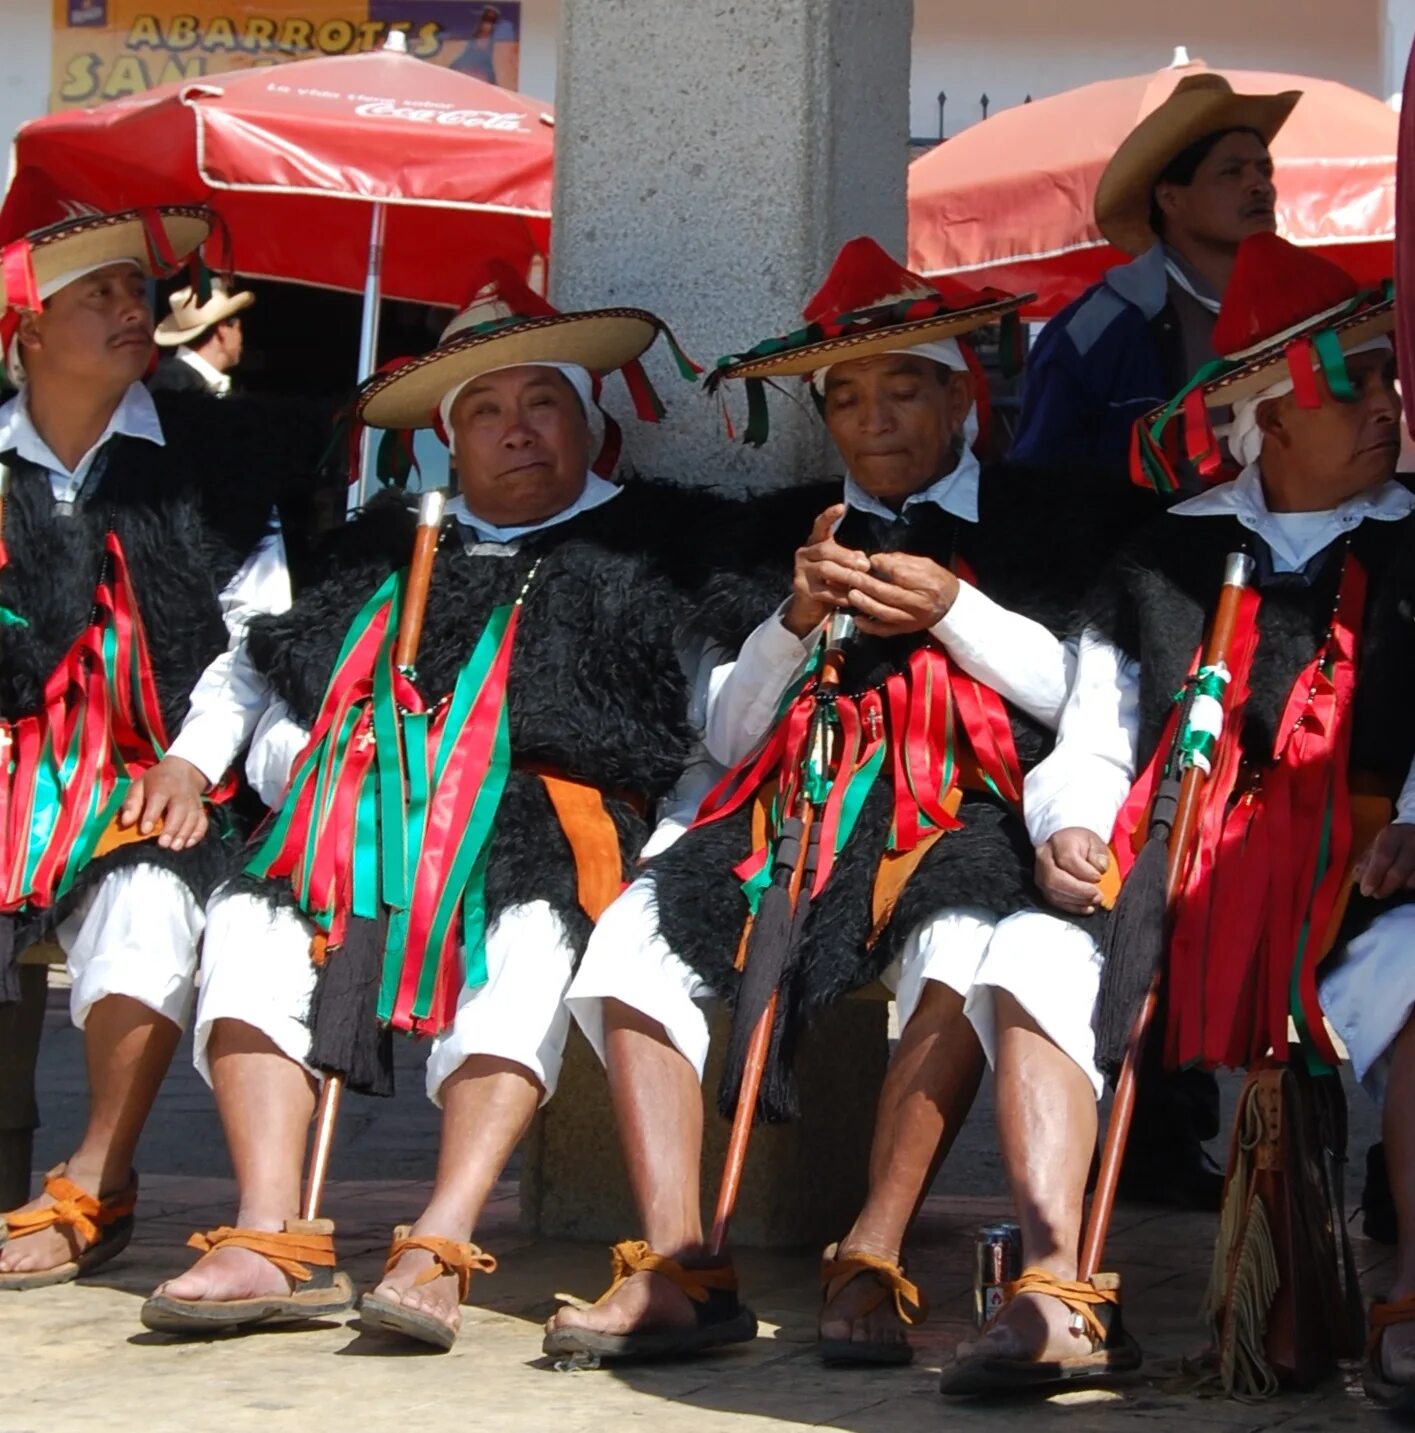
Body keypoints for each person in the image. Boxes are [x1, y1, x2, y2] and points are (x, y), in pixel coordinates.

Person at [543, 237, 1149, 1366]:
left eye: (902, 386)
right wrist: (785, 623)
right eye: (847, 395)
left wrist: (954, 611)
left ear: (961, 396)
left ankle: (870, 1246)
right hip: (790, 802)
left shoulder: (1054, 518)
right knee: (626, 947)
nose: (873, 417)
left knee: (965, 937)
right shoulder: (767, 534)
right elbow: (723, 731)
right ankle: (680, 1259)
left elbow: (1089, 697)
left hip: (965, 805)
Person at [142, 266, 756, 1350]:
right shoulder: (385, 538)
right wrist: (242, 763)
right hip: (366, 812)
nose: (514, 430)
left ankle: (440, 1236)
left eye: (540, 404)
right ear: (449, 435)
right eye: (485, 410)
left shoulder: (658, 546)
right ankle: (268, 1229)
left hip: (553, 825)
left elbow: (717, 720)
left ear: (586, 418)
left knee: (526, 935)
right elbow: (265, 673)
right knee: (252, 911)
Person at [943, 232, 1413, 1395]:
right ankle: (1056, 1287)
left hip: (1362, 874)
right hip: (1174, 866)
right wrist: (1071, 820)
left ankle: (1408, 1298)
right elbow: (1098, 726)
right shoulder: (1169, 550)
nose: (1386, 404)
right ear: (1268, 419)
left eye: (1388, 377)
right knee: (1028, 950)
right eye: (1349, 381)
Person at [0, 205, 310, 1290]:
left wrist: (187, 759)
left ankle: (98, 1173)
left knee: (146, 889)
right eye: (101, 296)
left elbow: (253, 637)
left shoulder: (218, 456)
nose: (137, 311)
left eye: (140, 289)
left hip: (168, 773)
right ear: (28, 330)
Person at [1010, 72, 1298, 481]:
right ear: (1171, 197)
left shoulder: (1308, 310)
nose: (1259, 186)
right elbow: (1040, 487)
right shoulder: (1095, 330)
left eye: (1263, 170)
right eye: (1232, 172)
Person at [149, 281, 254, 397]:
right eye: (237, 324)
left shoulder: (181, 379)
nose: (241, 336)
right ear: (222, 329)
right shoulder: (173, 387)